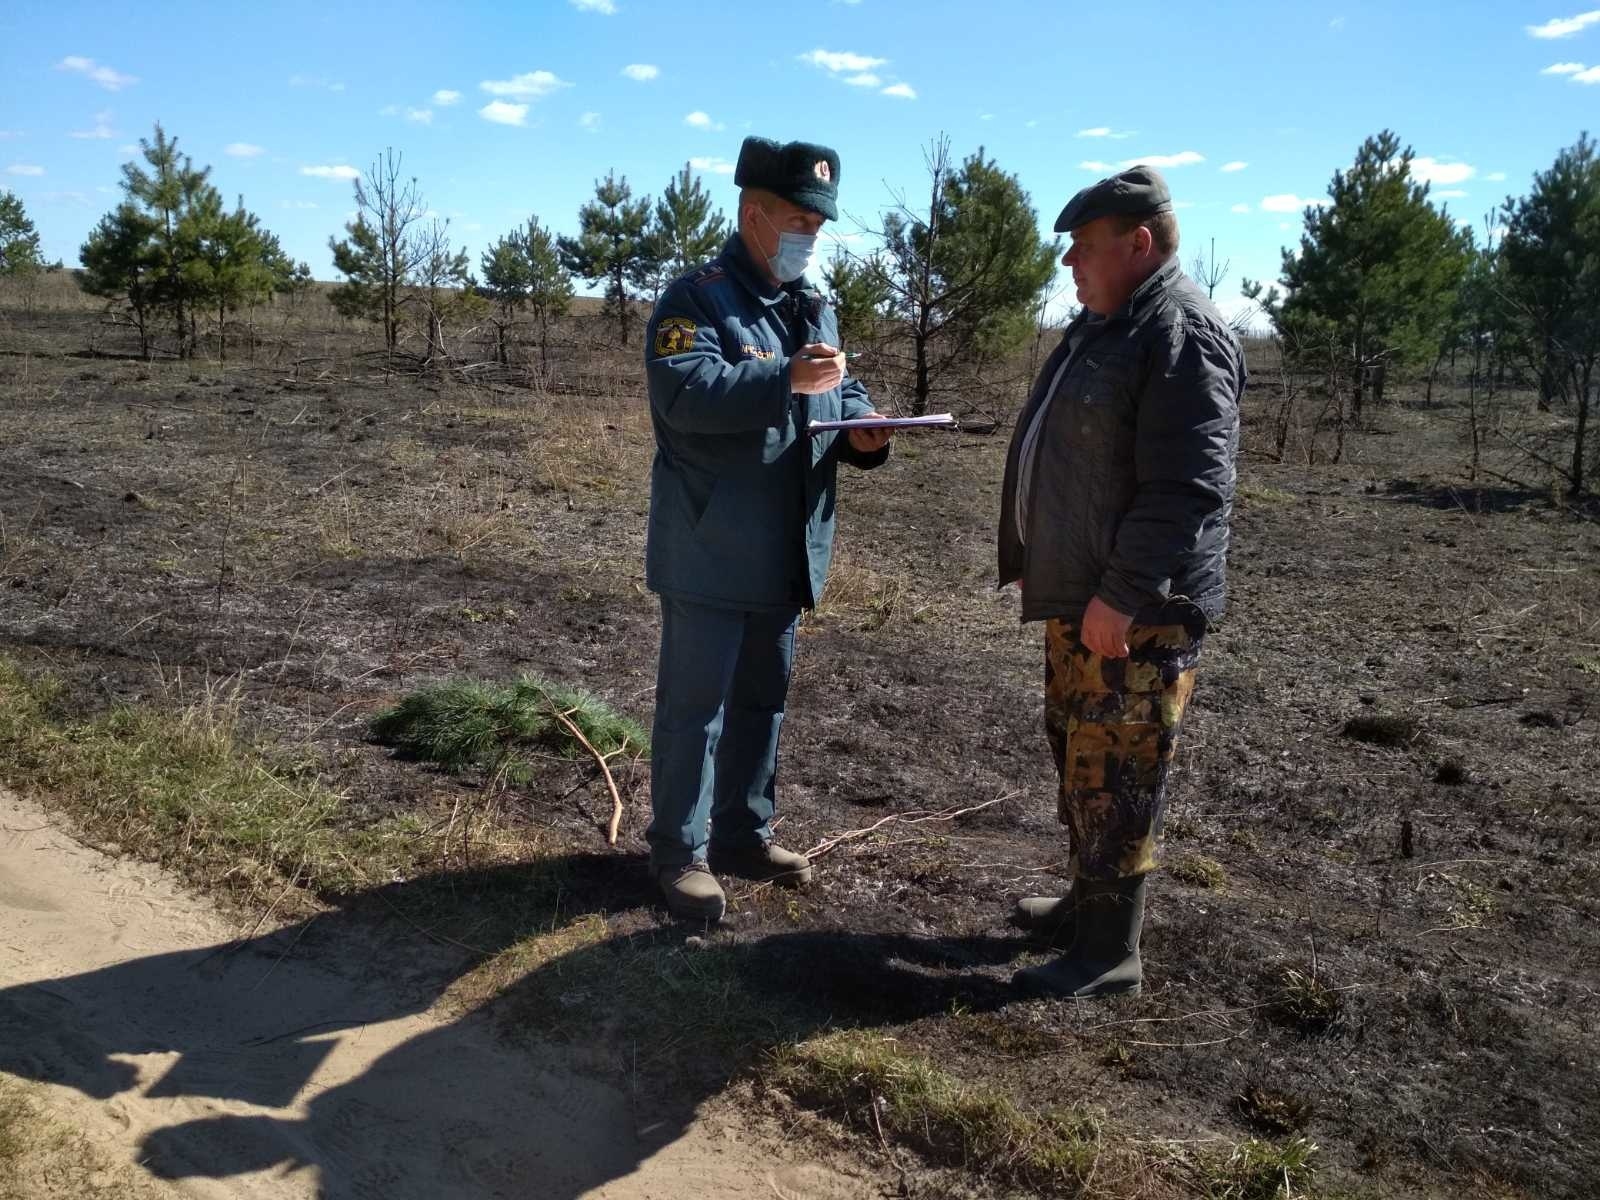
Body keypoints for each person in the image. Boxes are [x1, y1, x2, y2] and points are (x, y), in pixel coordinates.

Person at [997, 165, 1244, 998]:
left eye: (1084, 249)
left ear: (1138, 245)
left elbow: (1187, 489)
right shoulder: (1111, 325)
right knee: (1079, 754)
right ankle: (1083, 904)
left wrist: (1124, 593)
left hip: (1134, 614)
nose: (1070, 264)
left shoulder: (1181, 333)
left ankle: (1109, 953)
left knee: (1120, 770)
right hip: (1087, 597)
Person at [642, 135, 891, 922]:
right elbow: (685, 395)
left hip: (785, 547)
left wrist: (864, 428)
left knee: (762, 705)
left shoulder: (813, 304)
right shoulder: (697, 298)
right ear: (753, 213)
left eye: (818, 229)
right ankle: (678, 853)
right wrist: (781, 377)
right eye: (798, 223)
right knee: (696, 710)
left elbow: (839, 394)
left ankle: (743, 835)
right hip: (711, 547)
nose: (809, 240)